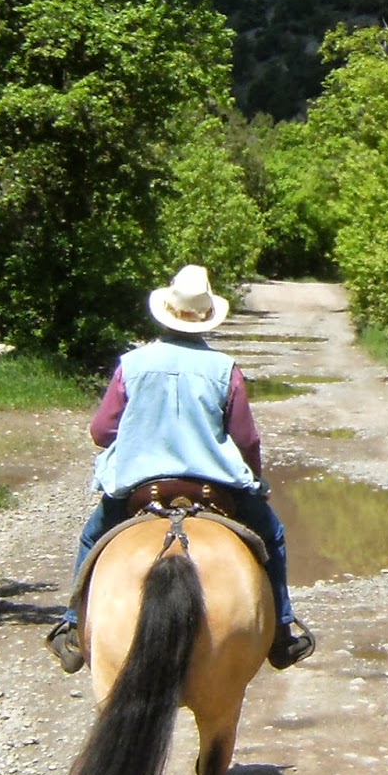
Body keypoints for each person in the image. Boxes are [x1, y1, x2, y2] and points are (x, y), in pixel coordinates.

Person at [46, 264, 316, 675]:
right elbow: (246, 441)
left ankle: (71, 626)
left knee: (91, 537)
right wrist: (255, 481)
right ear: (207, 318)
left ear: (167, 311)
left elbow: (101, 431)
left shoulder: (132, 364)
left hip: (142, 490)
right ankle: (281, 629)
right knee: (274, 535)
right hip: (214, 490)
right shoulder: (225, 370)